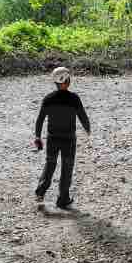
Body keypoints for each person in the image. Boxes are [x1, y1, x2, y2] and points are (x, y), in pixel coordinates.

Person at [33, 66, 91, 209]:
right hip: (68, 140)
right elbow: (82, 116)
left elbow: (40, 120)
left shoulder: (48, 99)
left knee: (50, 164)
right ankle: (63, 199)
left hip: (52, 138)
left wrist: (38, 137)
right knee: (67, 168)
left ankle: (40, 192)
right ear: (66, 81)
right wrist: (88, 129)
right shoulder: (74, 98)